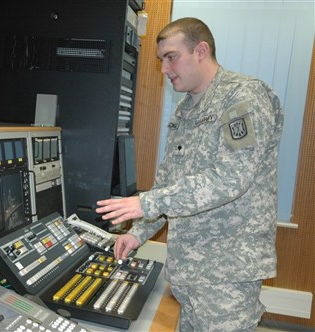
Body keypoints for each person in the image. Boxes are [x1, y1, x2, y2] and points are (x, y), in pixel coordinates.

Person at [96, 17, 283, 331]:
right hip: (191, 273)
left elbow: (231, 178)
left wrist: (147, 203)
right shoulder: (185, 110)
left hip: (227, 274)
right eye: (161, 60)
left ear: (201, 50)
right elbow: (169, 183)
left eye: (171, 57)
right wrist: (137, 233)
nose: (165, 69)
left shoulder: (242, 99)